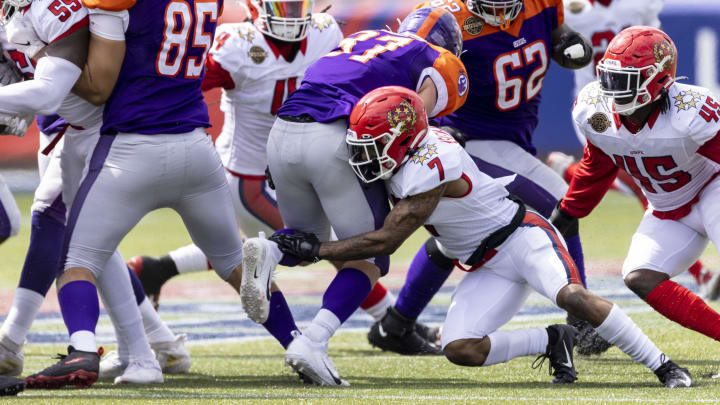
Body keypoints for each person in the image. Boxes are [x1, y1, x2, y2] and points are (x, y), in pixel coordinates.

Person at [263, 85, 693, 388]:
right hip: (483, 262)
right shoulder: (403, 151)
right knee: (460, 348)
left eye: (374, 146)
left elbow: (386, 241)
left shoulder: (432, 163)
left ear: (404, 142)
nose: (364, 156)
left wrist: (317, 249)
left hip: (521, 238)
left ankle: (663, 365)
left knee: (572, 297)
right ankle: (549, 340)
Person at [124, 1, 428, 343]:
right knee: (324, 246)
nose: (292, 15)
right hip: (250, 176)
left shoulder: (324, 31)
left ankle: (157, 268)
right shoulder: (235, 43)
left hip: (303, 158)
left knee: (268, 245)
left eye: (297, 7)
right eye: (282, 7)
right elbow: (181, 87)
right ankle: (390, 320)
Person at [12, 0, 245, 389]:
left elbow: (91, 86)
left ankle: (44, 345)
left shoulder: (96, 7)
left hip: (100, 128)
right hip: (103, 125)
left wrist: (33, 54)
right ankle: (152, 345)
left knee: (68, 240)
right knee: (91, 244)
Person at [240, 7, 468, 385]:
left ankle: (270, 251)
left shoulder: (359, 40)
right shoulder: (439, 60)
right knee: (369, 255)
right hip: (335, 136)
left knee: (304, 241)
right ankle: (313, 341)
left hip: (282, 133)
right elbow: (410, 122)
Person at [366, 0, 603, 357]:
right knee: (561, 203)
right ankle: (583, 321)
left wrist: (566, 42)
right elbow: (402, 78)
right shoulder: (442, 17)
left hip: (514, 137)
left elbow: (554, 33)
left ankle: (398, 323)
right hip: (466, 137)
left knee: (460, 235)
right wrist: (431, 128)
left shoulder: (542, 4)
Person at [551, 26, 720, 371]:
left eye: (626, 80)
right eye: (610, 78)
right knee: (639, 276)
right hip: (667, 207)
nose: (613, 89)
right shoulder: (593, 110)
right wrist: (570, 209)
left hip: (712, 188)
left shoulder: (690, 110)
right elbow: (597, 165)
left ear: (658, 81)